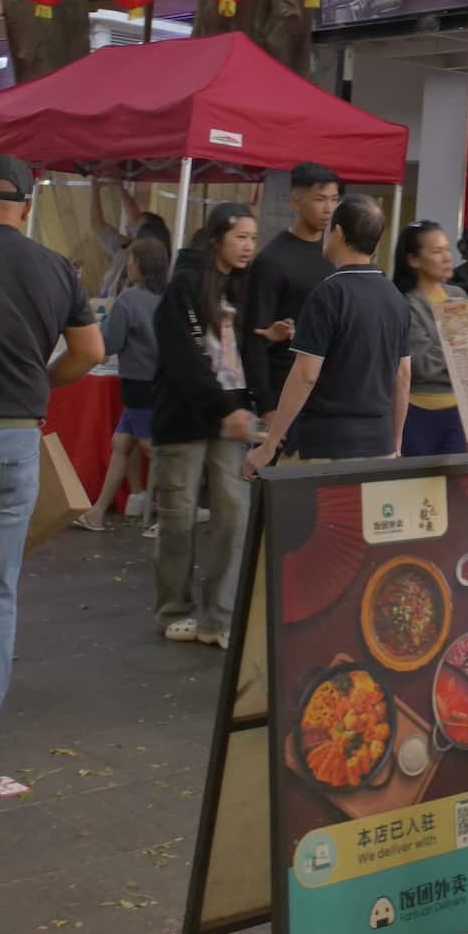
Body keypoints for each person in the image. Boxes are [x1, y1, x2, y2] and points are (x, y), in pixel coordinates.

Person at [0, 156, 104, 763]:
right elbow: (89, 350)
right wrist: (43, 380)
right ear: (28, 208)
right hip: (14, 440)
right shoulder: (56, 268)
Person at [152, 203, 259, 652]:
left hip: (231, 418)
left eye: (254, 238)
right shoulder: (185, 286)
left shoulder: (244, 287)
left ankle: (218, 615)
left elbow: (240, 353)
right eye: (241, 237)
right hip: (185, 418)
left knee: (233, 515)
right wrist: (223, 407)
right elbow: (186, 359)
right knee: (178, 519)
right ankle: (174, 609)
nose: (249, 247)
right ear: (216, 238)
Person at [244, 196, 412, 470]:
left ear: (337, 232)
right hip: (379, 445)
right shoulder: (395, 298)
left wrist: (268, 445)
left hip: (325, 445)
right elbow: (403, 376)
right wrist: (395, 443)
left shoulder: (329, 293)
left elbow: (306, 374)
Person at [74, 235, 169, 533]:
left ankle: (172, 515)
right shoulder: (169, 296)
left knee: (153, 449)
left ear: (141, 265)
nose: (127, 265)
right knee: (121, 444)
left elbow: (110, 342)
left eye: (130, 260)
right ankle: (97, 513)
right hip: (159, 384)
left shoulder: (129, 299)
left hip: (138, 385)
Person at [243, 163, 340, 416]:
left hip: (329, 392)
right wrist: (266, 405)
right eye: (320, 199)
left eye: (333, 199)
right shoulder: (273, 260)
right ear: (296, 201)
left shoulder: (336, 255)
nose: (328, 209)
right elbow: (255, 336)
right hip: (283, 389)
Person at [393, 220, 468, 455]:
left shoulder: (458, 296)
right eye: (437, 251)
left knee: (454, 490)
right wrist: (459, 355)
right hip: (418, 412)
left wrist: (461, 354)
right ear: (413, 260)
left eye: (447, 249)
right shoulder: (406, 303)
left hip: (458, 412)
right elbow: (423, 364)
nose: (447, 257)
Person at [91, 179, 171, 296]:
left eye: (133, 231)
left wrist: (120, 187)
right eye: (128, 229)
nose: (128, 233)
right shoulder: (123, 249)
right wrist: (95, 189)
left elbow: (136, 221)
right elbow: (97, 224)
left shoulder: (155, 263)